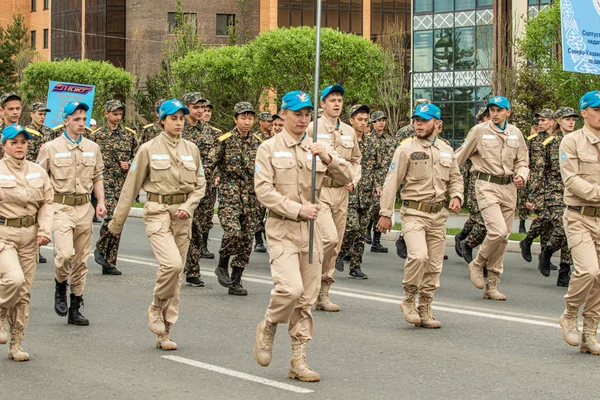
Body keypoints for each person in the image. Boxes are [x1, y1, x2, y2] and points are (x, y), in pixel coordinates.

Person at [253, 90, 353, 382]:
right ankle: (269, 325)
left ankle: (298, 360)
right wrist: (297, 209)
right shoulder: (268, 148)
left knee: (306, 299)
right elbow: (264, 192)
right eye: (297, 113)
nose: (303, 118)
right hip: (282, 227)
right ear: (283, 115)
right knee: (290, 289)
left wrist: (329, 156)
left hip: (311, 232)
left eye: (307, 113)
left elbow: (347, 177)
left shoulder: (316, 147)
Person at [108, 99, 206, 350]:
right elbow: (130, 188)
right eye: (173, 118)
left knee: (177, 275)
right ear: (162, 120)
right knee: (171, 264)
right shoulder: (147, 149)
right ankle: (155, 305)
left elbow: (200, 184)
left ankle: (165, 331)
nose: (179, 122)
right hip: (157, 211)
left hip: (183, 215)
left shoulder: (191, 149)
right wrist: (116, 224)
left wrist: (188, 206)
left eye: (182, 118)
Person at [378, 103, 463, 327]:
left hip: (438, 215)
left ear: (437, 124)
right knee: (418, 256)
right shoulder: (405, 149)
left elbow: (456, 178)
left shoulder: (446, 149)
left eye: (424, 120)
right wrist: (386, 213)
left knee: (434, 266)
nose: (418, 123)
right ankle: (408, 298)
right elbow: (392, 181)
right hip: (414, 213)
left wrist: (457, 197)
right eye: (416, 119)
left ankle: (425, 307)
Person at [37, 101, 107, 326]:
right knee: (65, 254)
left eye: (84, 119)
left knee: (80, 260)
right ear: (65, 120)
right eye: (76, 119)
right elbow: (40, 177)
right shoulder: (51, 147)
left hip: (83, 207)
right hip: (61, 207)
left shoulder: (92, 147)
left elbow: (97, 176)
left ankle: (75, 304)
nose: (81, 123)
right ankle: (60, 285)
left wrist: (101, 202)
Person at [456, 96, 529, 301]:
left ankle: (492, 285)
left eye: (499, 110)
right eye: (492, 110)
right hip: (486, 185)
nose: (495, 114)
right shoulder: (479, 131)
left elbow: (523, 161)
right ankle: (478, 263)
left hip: (509, 188)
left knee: (504, 238)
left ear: (508, 112)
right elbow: (459, 157)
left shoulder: (516, 133)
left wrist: (522, 175)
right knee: (498, 231)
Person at [0, 124, 53, 361]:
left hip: (30, 236)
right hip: (4, 234)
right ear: (4, 145)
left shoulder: (37, 171)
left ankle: (16, 344)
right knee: (14, 279)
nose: (20, 146)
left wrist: (45, 230)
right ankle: (1, 311)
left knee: (23, 292)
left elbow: (47, 203)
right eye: (14, 142)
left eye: (23, 142)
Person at [306, 84, 360, 312]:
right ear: (323, 104)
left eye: (339, 99)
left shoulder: (349, 131)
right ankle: (311, 282)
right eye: (332, 100)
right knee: (327, 239)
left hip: (342, 191)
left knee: (336, 243)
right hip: (321, 190)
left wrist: (354, 180)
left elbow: (357, 159)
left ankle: (323, 292)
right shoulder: (311, 128)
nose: (337, 103)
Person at [558, 90, 600, 355]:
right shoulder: (571, 142)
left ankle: (590, 334)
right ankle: (570, 313)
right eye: (597, 109)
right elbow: (571, 180)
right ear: (584, 112)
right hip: (579, 216)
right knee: (588, 271)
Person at [205, 102, 258, 296]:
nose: (247, 121)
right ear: (235, 119)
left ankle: (236, 279)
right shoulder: (224, 140)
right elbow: (209, 166)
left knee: (246, 240)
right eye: (243, 117)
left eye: (250, 118)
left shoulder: (258, 143)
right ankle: (222, 265)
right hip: (230, 193)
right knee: (233, 232)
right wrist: (205, 187)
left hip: (251, 197)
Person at [91, 100, 138, 275]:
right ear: (106, 114)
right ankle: (100, 246)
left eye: (120, 114)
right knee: (112, 216)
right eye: (114, 114)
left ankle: (109, 262)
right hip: (104, 182)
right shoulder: (97, 136)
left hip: (123, 184)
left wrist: (130, 163)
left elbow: (138, 156)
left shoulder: (129, 135)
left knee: (119, 222)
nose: (118, 117)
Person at [536, 107, 578, 285]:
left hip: (574, 192)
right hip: (553, 192)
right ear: (558, 121)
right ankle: (547, 251)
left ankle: (564, 271)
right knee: (562, 227)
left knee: (571, 231)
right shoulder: (550, 142)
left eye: (573, 119)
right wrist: (536, 196)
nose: (571, 122)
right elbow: (539, 171)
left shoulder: (579, 140)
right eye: (567, 118)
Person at [180, 92, 216, 287]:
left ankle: (191, 269)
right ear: (187, 108)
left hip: (205, 188)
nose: (200, 110)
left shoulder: (212, 133)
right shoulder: (178, 130)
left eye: (202, 107)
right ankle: (185, 268)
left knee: (198, 228)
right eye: (196, 107)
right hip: (183, 187)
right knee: (184, 229)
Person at [338, 104, 373, 279]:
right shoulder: (344, 140)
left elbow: (378, 167)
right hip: (349, 190)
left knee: (361, 232)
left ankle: (355, 266)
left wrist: (378, 186)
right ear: (351, 120)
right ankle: (340, 252)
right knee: (351, 226)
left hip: (366, 193)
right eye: (359, 119)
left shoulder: (372, 142)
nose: (363, 123)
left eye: (366, 120)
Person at [520, 110, 555, 264]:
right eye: (539, 121)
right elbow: (525, 164)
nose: (540, 123)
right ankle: (527, 240)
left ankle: (544, 256)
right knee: (545, 217)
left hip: (553, 186)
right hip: (537, 184)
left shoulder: (557, 140)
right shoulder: (532, 141)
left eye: (544, 120)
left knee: (549, 223)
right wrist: (530, 194)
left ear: (552, 122)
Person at [455, 107, 489, 263]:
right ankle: (466, 243)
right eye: (486, 117)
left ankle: (462, 237)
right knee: (480, 218)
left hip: (497, 187)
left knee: (480, 219)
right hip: (477, 182)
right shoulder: (475, 134)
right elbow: (460, 158)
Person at [366, 110, 394, 252]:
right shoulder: (368, 139)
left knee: (380, 208)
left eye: (383, 120)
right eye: (378, 120)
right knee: (371, 207)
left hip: (385, 178)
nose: (381, 123)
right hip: (370, 178)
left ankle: (376, 241)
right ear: (373, 123)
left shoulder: (389, 140)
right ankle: (366, 230)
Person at [253, 112, 274, 253]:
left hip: (273, 179)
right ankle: (258, 241)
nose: (270, 123)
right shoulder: (255, 139)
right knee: (258, 212)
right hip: (259, 178)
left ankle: (269, 237)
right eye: (267, 121)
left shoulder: (275, 139)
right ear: (260, 122)